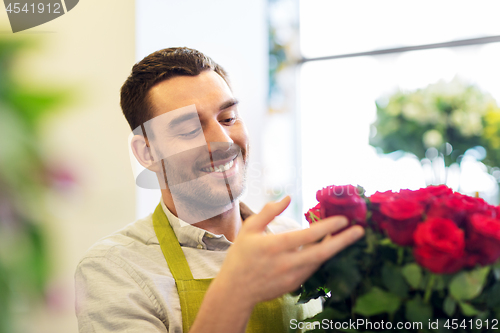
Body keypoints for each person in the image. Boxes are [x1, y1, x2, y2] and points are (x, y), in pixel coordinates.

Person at [75, 47, 365, 333]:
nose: (223, 140)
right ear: (147, 153)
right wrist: (236, 287)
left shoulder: (291, 237)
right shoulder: (114, 269)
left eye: (228, 118)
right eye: (189, 130)